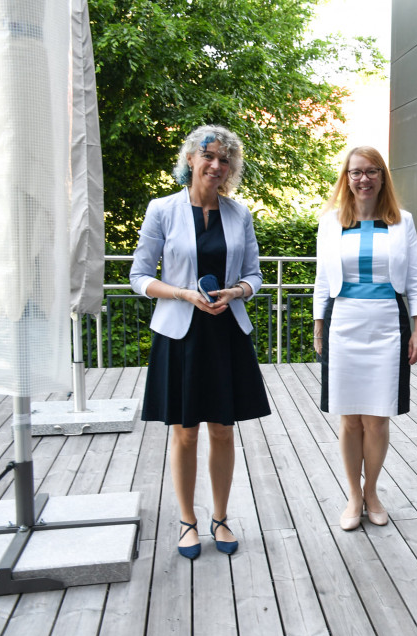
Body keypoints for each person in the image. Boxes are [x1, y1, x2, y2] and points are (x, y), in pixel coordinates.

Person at [130, 124, 270, 559]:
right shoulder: (162, 210)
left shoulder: (239, 215)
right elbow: (139, 278)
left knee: (223, 432)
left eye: (225, 159)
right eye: (209, 155)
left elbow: (255, 276)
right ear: (190, 158)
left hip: (226, 331)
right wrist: (184, 293)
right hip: (181, 333)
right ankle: (188, 521)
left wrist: (236, 292)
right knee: (186, 434)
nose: (216, 165)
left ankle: (221, 518)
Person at [313, 146, 417, 531]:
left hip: (387, 325)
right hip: (343, 322)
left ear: (383, 177)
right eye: (356, 172)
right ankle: (353, 495)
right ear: (346, 178)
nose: (364, 179)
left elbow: (415, 278)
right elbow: (321, 281)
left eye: (372, 172)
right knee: (349, 420)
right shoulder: (329, 222)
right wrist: (319, 327)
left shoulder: (402, 222)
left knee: (377, 419)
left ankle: (373, 491)